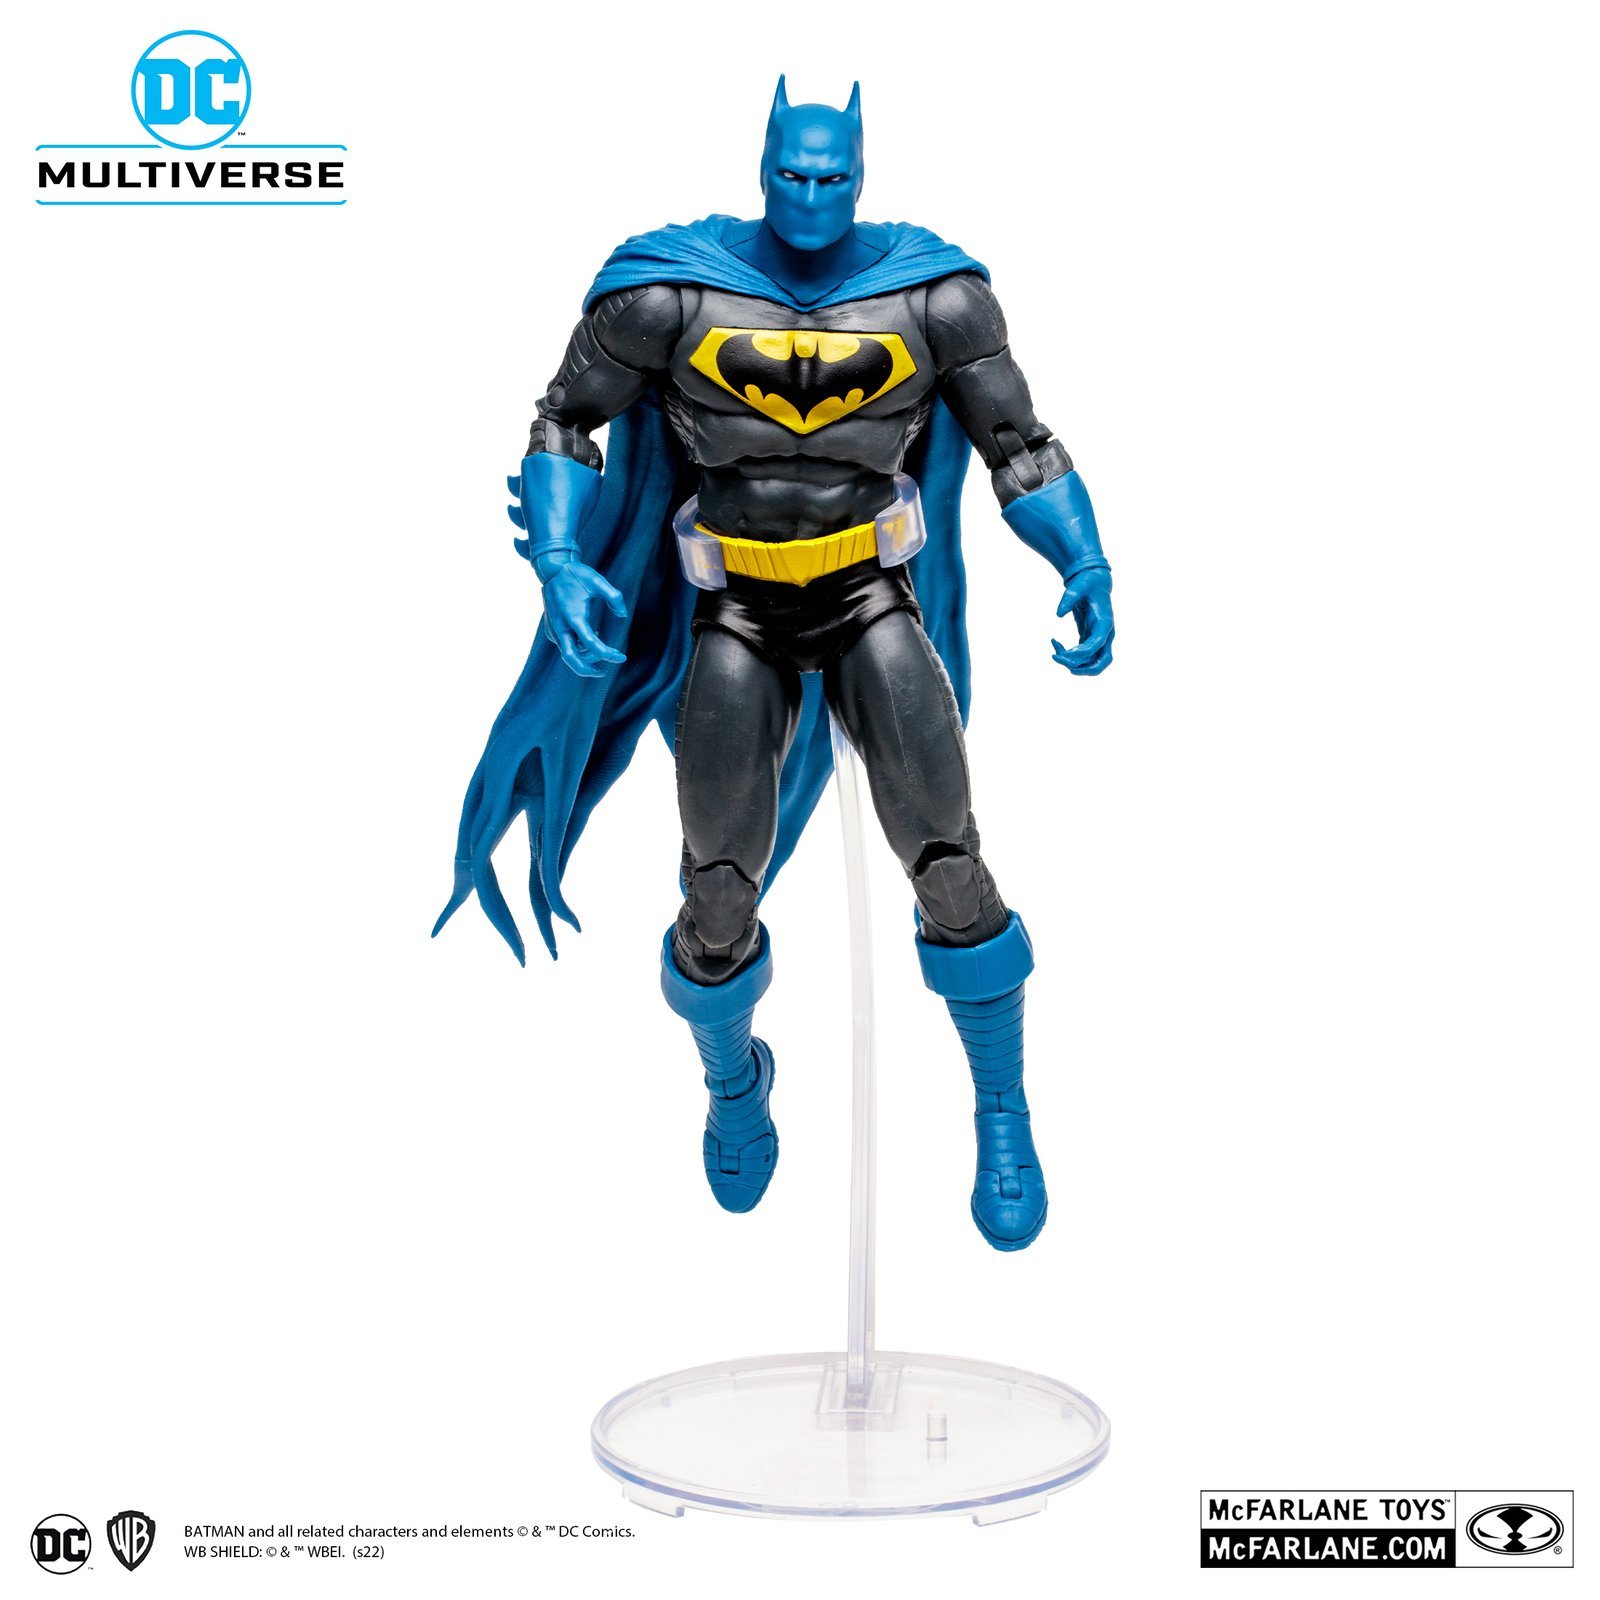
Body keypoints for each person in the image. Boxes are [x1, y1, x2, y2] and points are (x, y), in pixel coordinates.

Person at [436, 79, 1115, 1251]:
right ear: (763, 166)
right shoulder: (671, 292)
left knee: (950, 867)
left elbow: (1020, 445)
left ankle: (1001, 1108)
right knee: (716, 896)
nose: (810, 194)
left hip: (867, 596)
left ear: (860, 173)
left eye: (831, 175)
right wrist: (557, 557)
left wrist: (1084, 561)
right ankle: (732, 1079)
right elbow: (564, 420)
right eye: (793, 174)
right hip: (735, 608)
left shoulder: (933, 297)